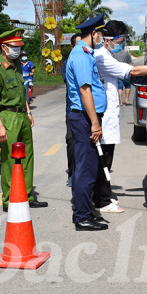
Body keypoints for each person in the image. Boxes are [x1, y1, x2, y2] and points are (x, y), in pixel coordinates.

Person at [93, 20, 147, 213]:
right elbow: (133, 71)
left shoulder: (107, 54)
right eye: (120, 39)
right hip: (104, 115)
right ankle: (101, 201)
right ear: (109, 39)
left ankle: (104, 195)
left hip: (108, 113)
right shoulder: (102, 57)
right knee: (103, 159)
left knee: (106, 158)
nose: (121, 43)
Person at [0, 29, 48, 212]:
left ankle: (27, 195)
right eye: (15, 47)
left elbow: (22, 92)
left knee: (28, 157)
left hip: (22, 115)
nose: (19, 51)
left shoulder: (17, 66)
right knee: (8, 160)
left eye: (20, 47)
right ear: (4, 47)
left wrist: (28, 112)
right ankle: (8, 200)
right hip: (8, 117)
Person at [65, 14, 109, 231]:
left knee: (86, 167)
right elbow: (85, 90)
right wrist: (94, 123)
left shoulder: (83, 53)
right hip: (84, 119)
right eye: (100, 34)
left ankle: (84, 211)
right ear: (93, 33)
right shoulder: (81, 56)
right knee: (85, 169)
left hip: (85, 117)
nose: (101, 38)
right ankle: (82, 216)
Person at [61, 33, 81, 187]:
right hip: (73, 110)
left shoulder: (90, 59)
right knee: (71, 142)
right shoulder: (67, 63)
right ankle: (72, 173)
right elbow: (72, 81)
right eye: (78, 45)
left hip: (90, 111)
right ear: (73, 47)